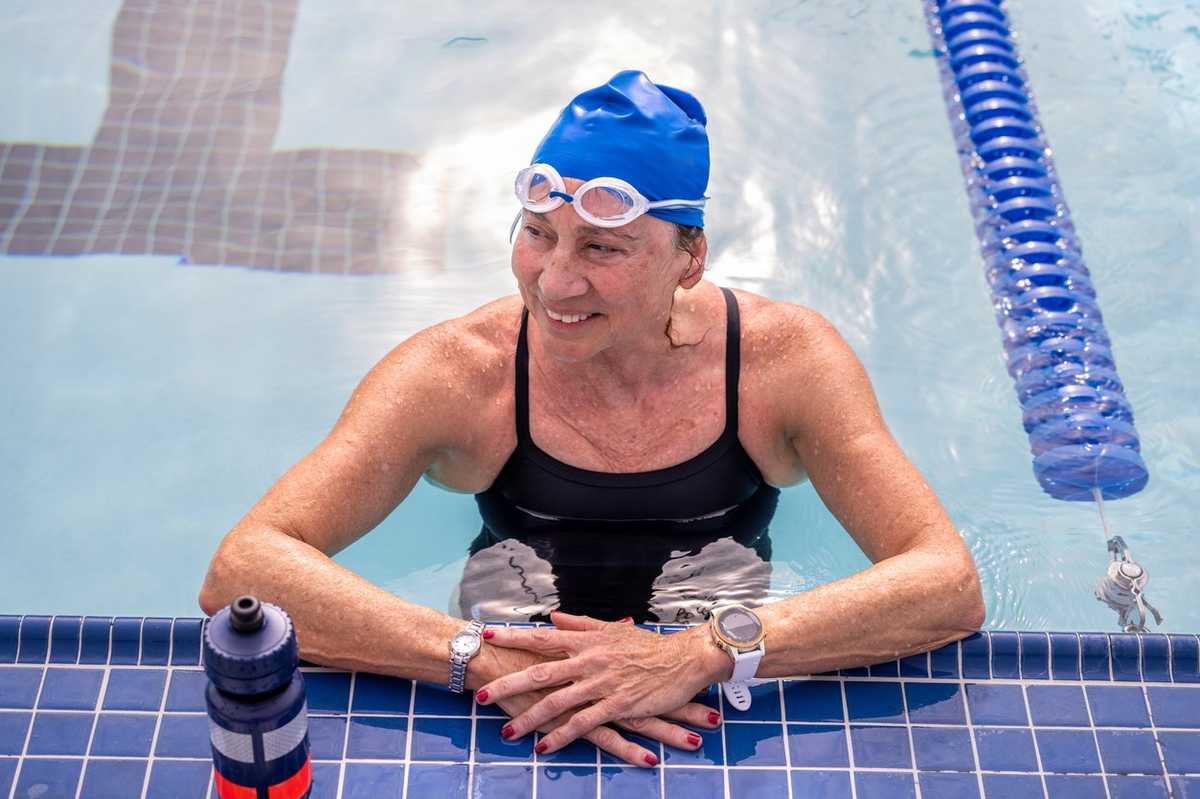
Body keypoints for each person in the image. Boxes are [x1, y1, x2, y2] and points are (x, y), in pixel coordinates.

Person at [199, 70, 985, 767]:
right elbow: (246, 567)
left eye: (603, 249)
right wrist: (475, 657)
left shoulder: (785, 364)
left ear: (689, 256)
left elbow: (945, 582)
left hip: (709, 679)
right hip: (510, 679)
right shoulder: (457, 373)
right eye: (539, 235)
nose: (556, 284)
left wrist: (704, 650)